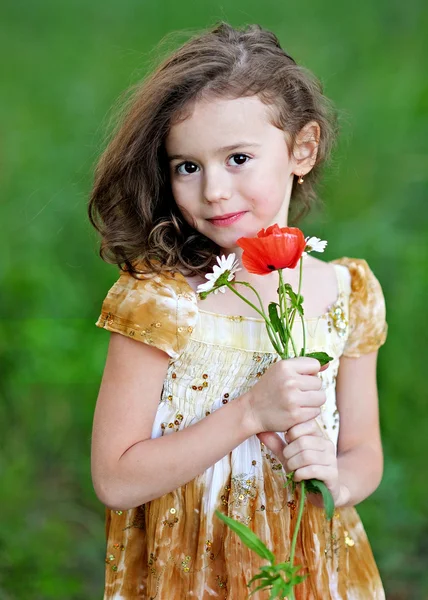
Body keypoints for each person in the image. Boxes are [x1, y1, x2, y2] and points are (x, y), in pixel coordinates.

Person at [89, 22, 388, 599]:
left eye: (239, 158)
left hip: (310, 567)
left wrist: (338, 480)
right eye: (188, 166)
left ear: (303, 148)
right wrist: (251, 412)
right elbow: (115, 479)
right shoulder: (161, 299)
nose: (215, 192)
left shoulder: (346, 291)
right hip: (191, 570)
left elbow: (364, 451)